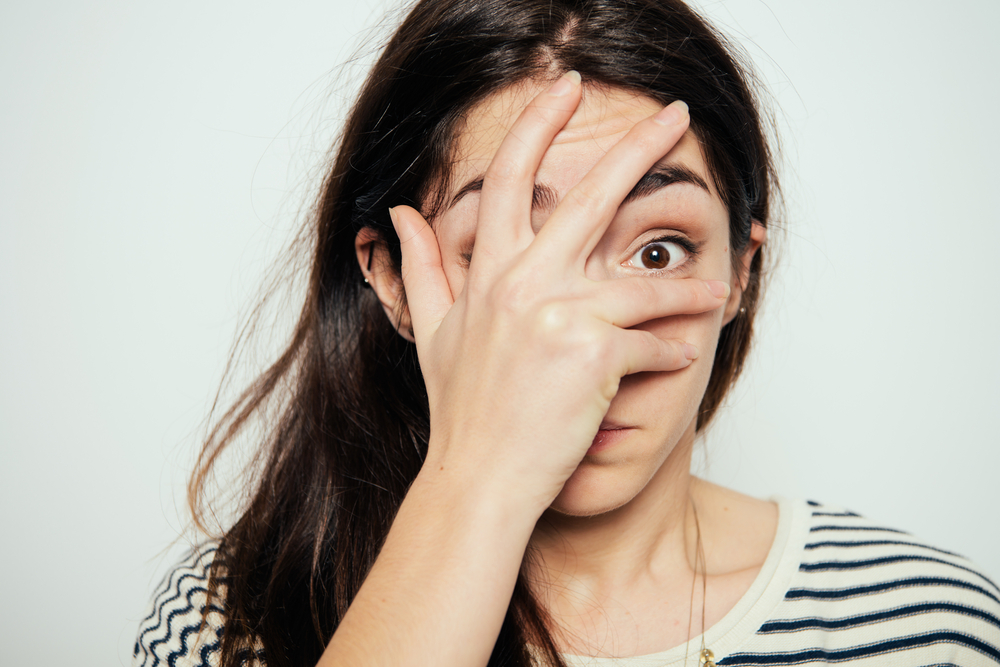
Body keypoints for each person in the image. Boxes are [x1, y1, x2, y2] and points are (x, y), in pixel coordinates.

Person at [132, 0, 1000, 665]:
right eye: (514, 255)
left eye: (659, 250)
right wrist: (479, 476)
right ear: (393, 279)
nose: (586, 339)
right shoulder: (230, 620)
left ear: (741, 272)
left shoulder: (935, 625)